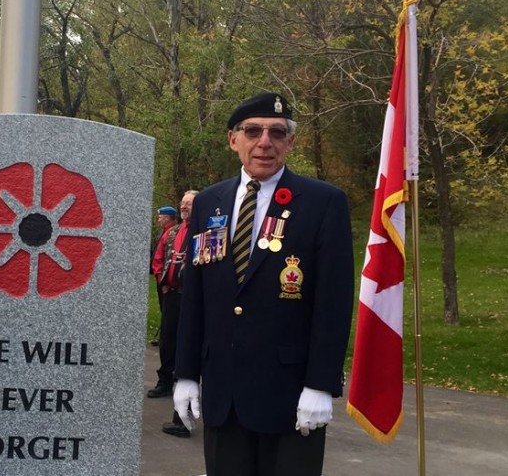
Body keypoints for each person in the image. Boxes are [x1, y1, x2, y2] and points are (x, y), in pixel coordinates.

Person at [172, 92, 353, 475]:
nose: (264, 142)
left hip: (290, 396)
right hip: (223, 393)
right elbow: (196, 298)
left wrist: (321, 384)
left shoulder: (323, 203)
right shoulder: (209, 202)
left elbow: (332, 303)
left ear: (291, 141)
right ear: (233, 139)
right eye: (252, 131)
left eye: (277, 132)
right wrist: (186, 373)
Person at [147, 191, 197, 399]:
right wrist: (163, 282)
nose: (184, 207)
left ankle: (187, 383)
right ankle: (165, 380)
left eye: (190, 204)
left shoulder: (205, 231)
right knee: (167, 340)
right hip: (172, 295)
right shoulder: (172, 232)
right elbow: (158, 259)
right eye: (183, 203)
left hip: (194, 298)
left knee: (191, 340)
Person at [149, 205, 178, 344]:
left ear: (167, 218)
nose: (158, 220)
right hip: (160, 278)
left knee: (168, 311)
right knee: (164, 309)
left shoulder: (172, 233)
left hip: (164, 280)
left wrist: (163, 280)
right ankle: (164, 338)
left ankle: (167, 340)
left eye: (160, 218)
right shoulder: (165, 232)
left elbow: (164, 259)